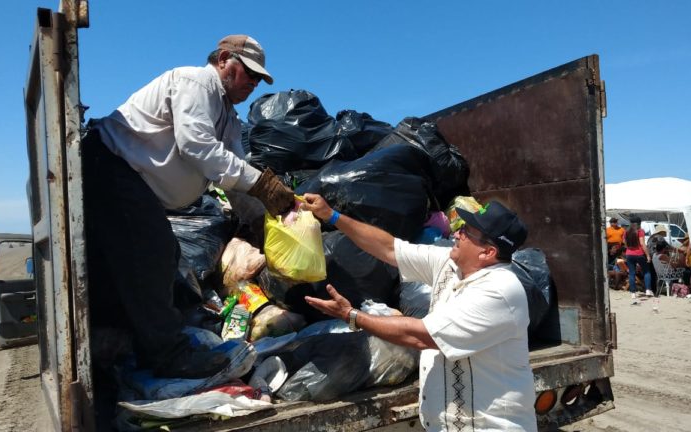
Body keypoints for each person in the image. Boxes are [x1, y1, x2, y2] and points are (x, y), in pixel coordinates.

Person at [81, 35, 295, 379]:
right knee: (152, 252)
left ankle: (124, 342)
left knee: (161, 256)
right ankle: (169, 356)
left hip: (135, 181)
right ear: (223, 60)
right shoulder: (195, 83)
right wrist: (264, 186)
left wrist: (261, 220)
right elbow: (198, 147)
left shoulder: (228, 117)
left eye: (259, 79)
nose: (253, 83)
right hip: (111, 165)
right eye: (249, 73)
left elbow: (234, 173)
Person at [301, 194, 537, 431]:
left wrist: (351, 315)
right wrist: (331, 215)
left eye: (466, 232)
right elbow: (390, 248)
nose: (456, 234)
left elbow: (420, 336)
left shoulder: (500, 290)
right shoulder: (451, 264)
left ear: (488, 252)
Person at [624, 215, 652, 300]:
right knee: (646, 271)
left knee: (632, 273)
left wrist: (629, 248)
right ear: (639, 223)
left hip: (629, 254)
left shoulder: (626, 231)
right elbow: (642, 244)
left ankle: (633, 293)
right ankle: (648, 290)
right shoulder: (640, 231)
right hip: (639, 253)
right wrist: (648, 255)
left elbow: (624, 243)